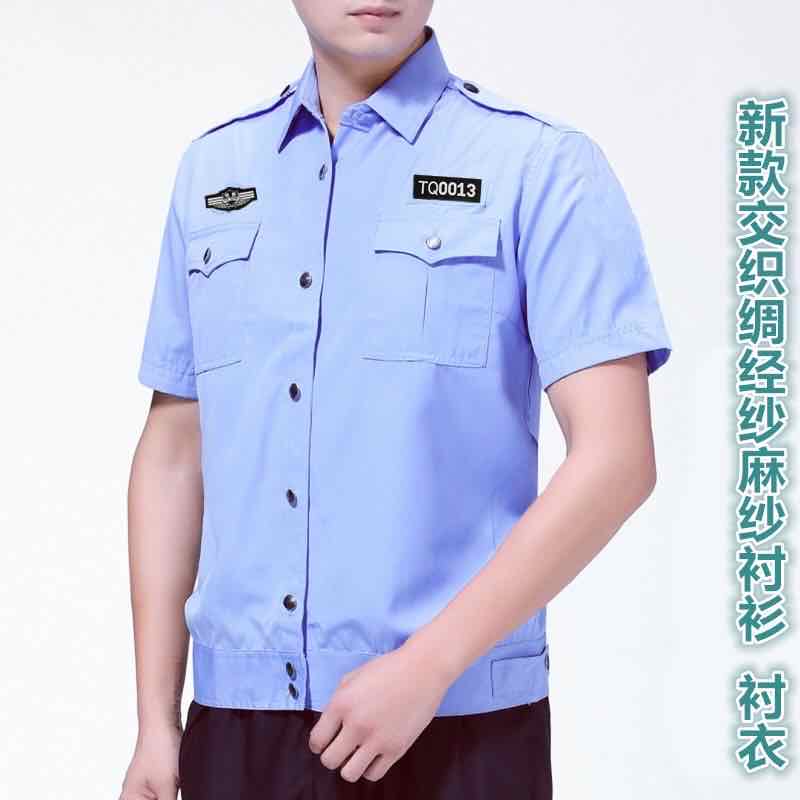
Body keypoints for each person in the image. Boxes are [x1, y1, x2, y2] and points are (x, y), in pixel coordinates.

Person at [120, 1, 673, 798]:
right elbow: (175, 451)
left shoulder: (540, 166)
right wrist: (155, 720)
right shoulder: (213, 172)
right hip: (236, 730)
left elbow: (617, 458)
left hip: (458, 729)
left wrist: (430, 665)